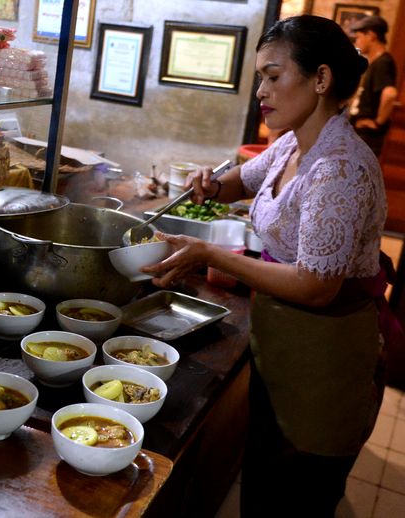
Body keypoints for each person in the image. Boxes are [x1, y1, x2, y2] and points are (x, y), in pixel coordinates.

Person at [142, 15, 398, 517]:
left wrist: (212, 254)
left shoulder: (339, 166)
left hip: (324, 359)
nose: (261, 90)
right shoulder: (295, 141)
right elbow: (244, 181)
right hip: (282, 343)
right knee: (264, 484)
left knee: (295, 495)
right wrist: (214, 186)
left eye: (273, 76)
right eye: (261, 77)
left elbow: (316, 285)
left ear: (321, 79)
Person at [349, 15, 398, 155]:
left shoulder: (383, 62)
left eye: (358, 37)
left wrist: (378, 123)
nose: (356, 42)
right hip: (360, 132)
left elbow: (390, 94)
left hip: (367, 135)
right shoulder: (375, 62)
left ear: (371, 35)